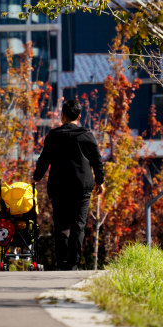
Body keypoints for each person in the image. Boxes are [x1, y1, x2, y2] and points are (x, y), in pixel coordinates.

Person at [33, 98, 105, 270]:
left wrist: (36, 177)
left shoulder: (53, 136)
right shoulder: (87, 136)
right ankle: (74, 264)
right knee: (78, 225)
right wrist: (100, 182)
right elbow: (97, 161)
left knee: (61, 225)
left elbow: (44, 160)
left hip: (59, 186)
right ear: (79, 116)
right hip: (82, 186)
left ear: (62, 116)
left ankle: (62, 263)